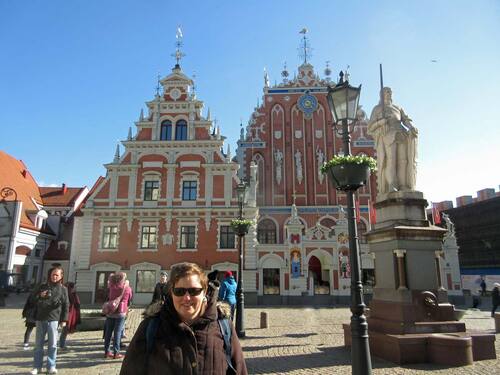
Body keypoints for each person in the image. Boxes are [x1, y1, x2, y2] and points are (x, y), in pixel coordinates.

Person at [120, 262, 247, 374]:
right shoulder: (151, 326)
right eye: (179, 291)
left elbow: (239, 369)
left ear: (205, 291)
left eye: (194, 291)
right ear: (171, 292)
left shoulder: (223, 325)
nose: (186, 298)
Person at [368, 86, 418, 194]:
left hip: (401, 133)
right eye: (386, 92)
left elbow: (405, 119)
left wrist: (411, 126)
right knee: (391, 160)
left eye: (390, 91)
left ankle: (403, 185)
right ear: (382, 95)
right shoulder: (377, 109)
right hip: (388, 135)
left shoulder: (397, 107)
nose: (389, 93)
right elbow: (370, 127)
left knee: (403, 161)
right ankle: (392, 185)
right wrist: (381, 122)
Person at [30, 266, 69, 375]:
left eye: (57, 275)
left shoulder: (63, 289)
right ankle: (37, 367)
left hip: (54, 319)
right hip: (41, 318)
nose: (54, 277)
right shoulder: (42, 286)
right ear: (50, 275)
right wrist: (39, 295)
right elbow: (32, 299)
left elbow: (66, 305)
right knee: (38, 345)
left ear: (61, 276)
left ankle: (51, 366)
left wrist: (64, 319)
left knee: (52, 345)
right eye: (53, 274)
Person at [104, 272, 132, 360]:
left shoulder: (112, 287)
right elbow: (130, 297)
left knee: (108, 332)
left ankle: (107, 351)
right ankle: (116, 353)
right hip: (120, 312)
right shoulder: (127, 288)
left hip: (111, 312)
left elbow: (109, 296)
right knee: (117, 333)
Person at [59, 282, 81, 350]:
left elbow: (77, 304)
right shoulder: (68, 294)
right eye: (74, 287)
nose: (75, 288)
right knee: (64, 330)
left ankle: (61, 344)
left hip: (69, 314)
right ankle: (61, 344)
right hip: (67, 315)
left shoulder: (72, 294)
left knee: (64, 330)